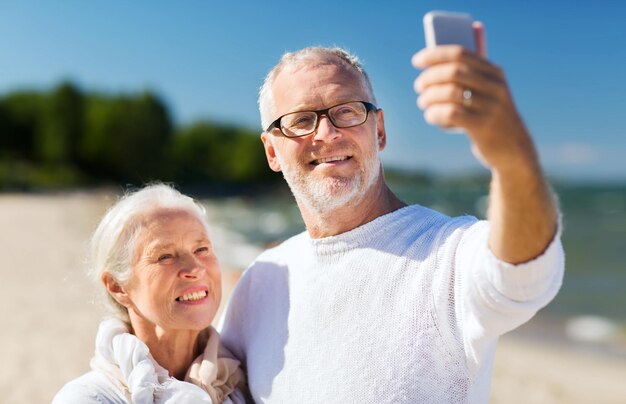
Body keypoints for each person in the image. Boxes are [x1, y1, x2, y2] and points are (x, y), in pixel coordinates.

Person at [219, 23, 564, 404]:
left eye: (346, 111)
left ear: (379, 130)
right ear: (272, 151)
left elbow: (524, 274)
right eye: (301, 120)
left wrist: (511, 154)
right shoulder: (259, 283)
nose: (326, 133)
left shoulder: (447, 255)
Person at [54, 184, 247, 403]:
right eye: (165, 256)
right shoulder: (88, 397)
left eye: (201, 249)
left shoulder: (243, 382)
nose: (195, 269)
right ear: (118, 286)